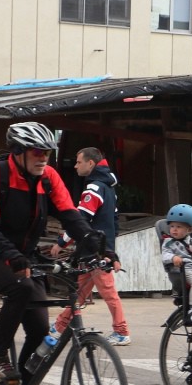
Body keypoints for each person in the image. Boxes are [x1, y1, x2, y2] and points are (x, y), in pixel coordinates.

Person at [0, 123, 103, 385]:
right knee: (20, 290)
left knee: (39, 328)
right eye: (37, 152)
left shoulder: (47, 177)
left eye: (47, 152)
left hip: (23, 256)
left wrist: (97, 245)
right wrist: (12, 256)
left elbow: (71, 216)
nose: (43, 158)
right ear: (18, 153)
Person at [49, 147, 130, 346]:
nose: (75, 166)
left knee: (109, 293)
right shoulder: (109, 189)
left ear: (91, 163)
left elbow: (81, 219)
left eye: (78, 162)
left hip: (94, 252)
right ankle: (59, 326)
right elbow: (114, 222)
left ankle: (121, 331)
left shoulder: (94, 188)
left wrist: (62, 242)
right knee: (80, 292)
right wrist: (111, 251)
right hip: (97, 251)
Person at [161, 204, 192, 325]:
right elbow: (164, 255)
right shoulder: (168, 242)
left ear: (190, 230)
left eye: (179, 227)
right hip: (183, 269)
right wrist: (173, 257)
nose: (174, 229)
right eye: (172, 226)